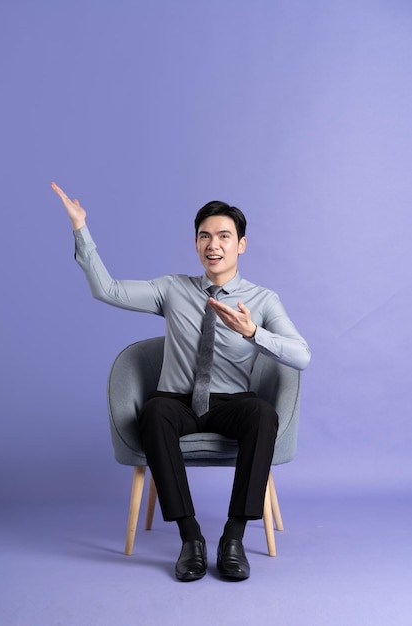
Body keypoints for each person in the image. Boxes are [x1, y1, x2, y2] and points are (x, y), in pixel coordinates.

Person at [51, 181, 311, 582]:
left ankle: (233, 538)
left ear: (241, 245)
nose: (214, 245)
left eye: (224, 236)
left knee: (262, 413)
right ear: (196, 245)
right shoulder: (173, 289)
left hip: (231, 403)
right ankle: (190, 537)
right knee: (153, 412)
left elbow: (302, 356)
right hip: (178, 401)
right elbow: (108, 289)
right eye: (205, 236)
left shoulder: (262, 299)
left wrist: (253, 333)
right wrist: (80, 228)